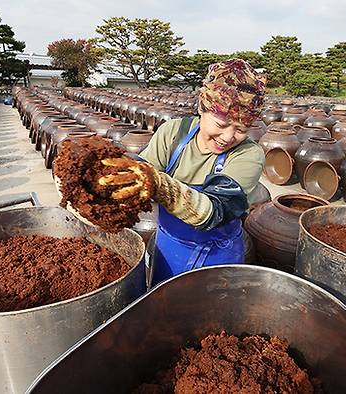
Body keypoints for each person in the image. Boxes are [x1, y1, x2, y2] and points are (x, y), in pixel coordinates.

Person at [99, 58, 266, 286]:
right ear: (202, 107)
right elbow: (137, 177)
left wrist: (158, 186)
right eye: (221, 124)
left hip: (219, 259)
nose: (228, 137)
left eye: (241, 129)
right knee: (164, 311)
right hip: (169, 251)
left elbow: (214, 210)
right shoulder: (174, 133)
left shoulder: (248, 155)